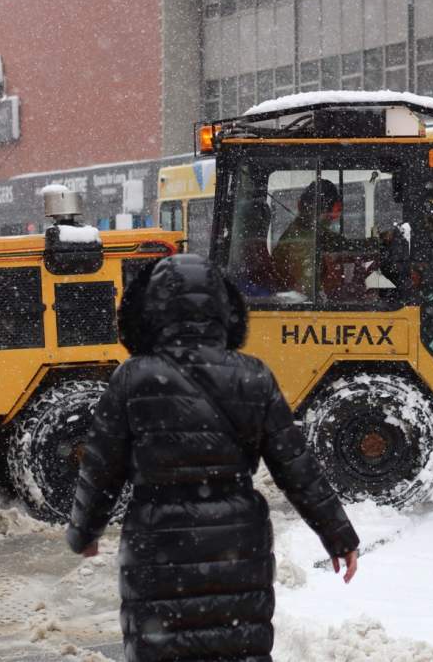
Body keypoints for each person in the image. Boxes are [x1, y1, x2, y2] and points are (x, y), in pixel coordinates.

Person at [66, 254, 360, 662]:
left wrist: (85, 532)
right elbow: (297, 467)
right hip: (238, 544)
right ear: (224, 308)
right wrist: (338, 535)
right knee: (238, 649)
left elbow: (100, 469)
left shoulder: (133, 379)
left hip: (157, 542)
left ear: (152, 310)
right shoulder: (254, 376)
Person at [271, 179, 378, 297]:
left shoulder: (311, 231)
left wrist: (378, 243)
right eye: (336, 211)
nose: (335, 218)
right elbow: (308, 292)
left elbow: (346, 246)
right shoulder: (303, 239)